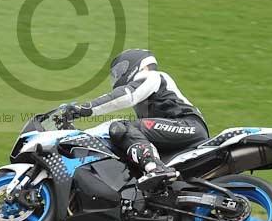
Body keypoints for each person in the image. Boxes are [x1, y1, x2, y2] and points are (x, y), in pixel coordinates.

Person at [63, 49, 208, 190]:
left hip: (189, 125)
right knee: (128, 142)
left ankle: (156, 168)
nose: (117, 77)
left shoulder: (153, 76)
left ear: (138, 65)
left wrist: (84, 109)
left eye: (120, 70)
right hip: (180, 132)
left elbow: (125, 95)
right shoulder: (146, 100)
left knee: (122, 127)